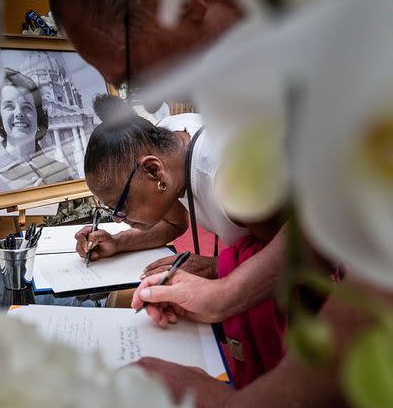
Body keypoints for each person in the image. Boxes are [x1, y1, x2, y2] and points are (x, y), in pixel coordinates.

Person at [49, 0, 388, 408]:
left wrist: (232, 400)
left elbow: (329, 256)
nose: (154, 103)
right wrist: (136, 247)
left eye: (136, 74)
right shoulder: (182, 134)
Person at [78, 94, 287, 386]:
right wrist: (119, 241)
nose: (116, 219)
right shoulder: (169, 143)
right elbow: (175, 221)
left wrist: (215, 269)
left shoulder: (226, 178)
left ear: (153, 171)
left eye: (119, 208)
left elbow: (297, 252)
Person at [0, 68, 72, 193]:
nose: (19, 113)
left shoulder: (61, 171)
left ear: (37, 116)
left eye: (27, 107)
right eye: (9, 106)